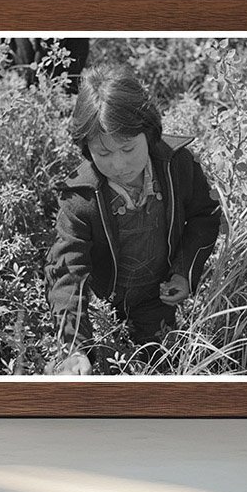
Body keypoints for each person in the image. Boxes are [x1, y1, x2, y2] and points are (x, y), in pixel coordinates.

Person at [45, 63, 222, 375]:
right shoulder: (81, 195)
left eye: (128, 148)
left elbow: (204, 216)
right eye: (103, 153)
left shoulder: (177, 165)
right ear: (86, 149)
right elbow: (67, 271)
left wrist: (184, 273)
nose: (120, 164)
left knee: (162, 365)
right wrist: (74, 348)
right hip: (105, 300)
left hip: (158, 295)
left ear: (149, 132)